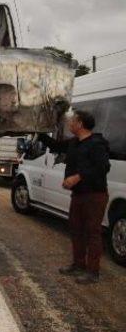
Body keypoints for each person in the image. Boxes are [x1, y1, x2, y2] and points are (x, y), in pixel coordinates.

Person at [38, 110, 111, 284]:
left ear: (80, 123)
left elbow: (102, 167)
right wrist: (38, 132)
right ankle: (78, 265)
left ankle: (93, 272)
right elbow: (55, 146)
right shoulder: (74, 143)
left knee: (93, 233)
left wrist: (77, 177)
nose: (69, 124)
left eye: (72, 121)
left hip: (94, 195)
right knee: (76, 230)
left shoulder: (96, 144)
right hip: (78, 195)